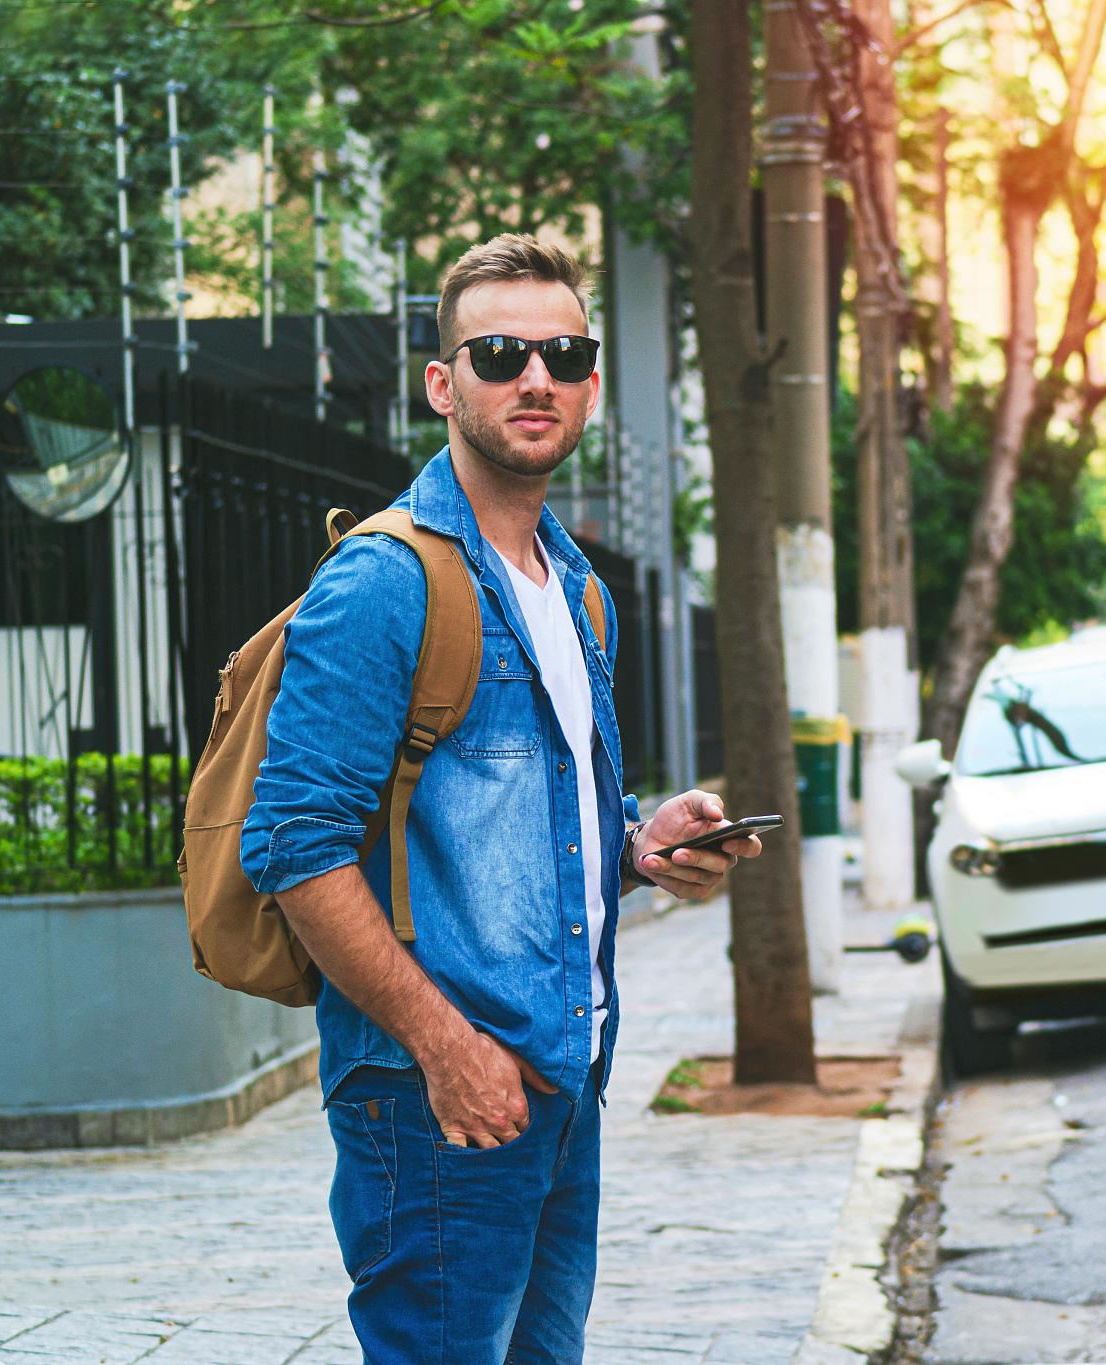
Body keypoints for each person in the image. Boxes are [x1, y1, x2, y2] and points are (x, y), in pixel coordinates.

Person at [240, 234, 763, 1364]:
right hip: (436, 1097)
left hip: (563, 1081)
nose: (536, 377)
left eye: (563, 355)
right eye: (499, 355)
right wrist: (447, 1051)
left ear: (589, 385)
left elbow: (522, 830)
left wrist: (640, 848)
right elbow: (290, 843)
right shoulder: (384, 581)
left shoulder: (576, 588)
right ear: (443, 384)